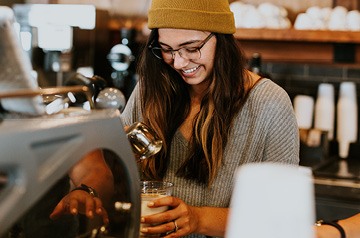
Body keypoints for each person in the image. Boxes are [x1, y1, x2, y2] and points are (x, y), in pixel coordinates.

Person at [119, 0, 299, 237]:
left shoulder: (269, 103)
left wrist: (198, 219)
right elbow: (115, 168)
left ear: (221, 38)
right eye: (167, 49)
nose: (179, 62)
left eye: (192, 48)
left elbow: (279, 214)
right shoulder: (149, 91)